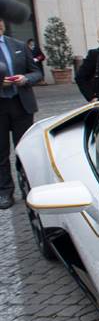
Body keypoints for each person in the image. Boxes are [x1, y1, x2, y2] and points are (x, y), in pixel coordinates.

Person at [0, 19, 42, 209]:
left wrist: (25, 78)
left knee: (24, 149)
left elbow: (36, 72)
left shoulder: (18, 46)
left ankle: (28, 187)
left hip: (21, 105)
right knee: (1, 152)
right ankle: (4, 192)